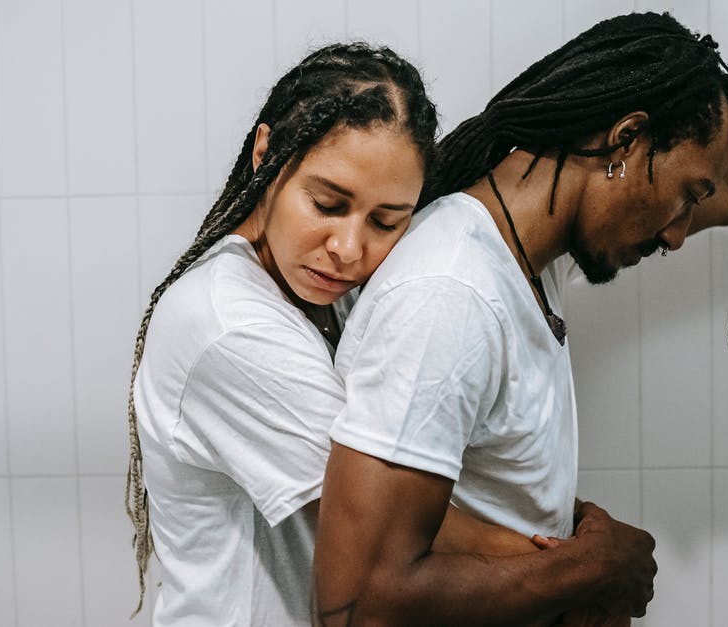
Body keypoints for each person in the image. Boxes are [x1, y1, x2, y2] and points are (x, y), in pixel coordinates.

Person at [315, 3, 728, 626]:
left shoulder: (521, 253)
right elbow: (361, 603)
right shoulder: (450, 295)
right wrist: (593, 565)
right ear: (625, 142)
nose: (678, 234)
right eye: (685, 197)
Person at [124, 42, 625, 626]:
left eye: (387, 221)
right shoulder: (225, 325)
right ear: (266, 156)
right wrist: (591, 567)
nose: (349, 249)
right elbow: (379, 520)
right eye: (326, 203)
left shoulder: (331, 289)